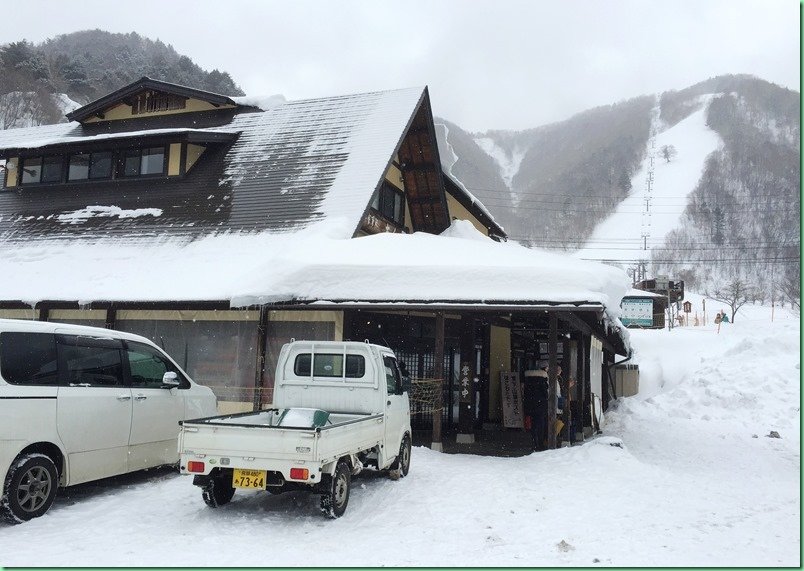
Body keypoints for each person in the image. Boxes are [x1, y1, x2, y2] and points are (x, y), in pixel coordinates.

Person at [522, 361, 549, 451]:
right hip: (540, 405)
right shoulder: (543, 380)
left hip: (530, 405)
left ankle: (534, 442)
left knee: (533, 425)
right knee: (541, 424)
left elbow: (525, 393)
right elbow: (545, 394)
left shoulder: (528, 379)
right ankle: (540, 444)